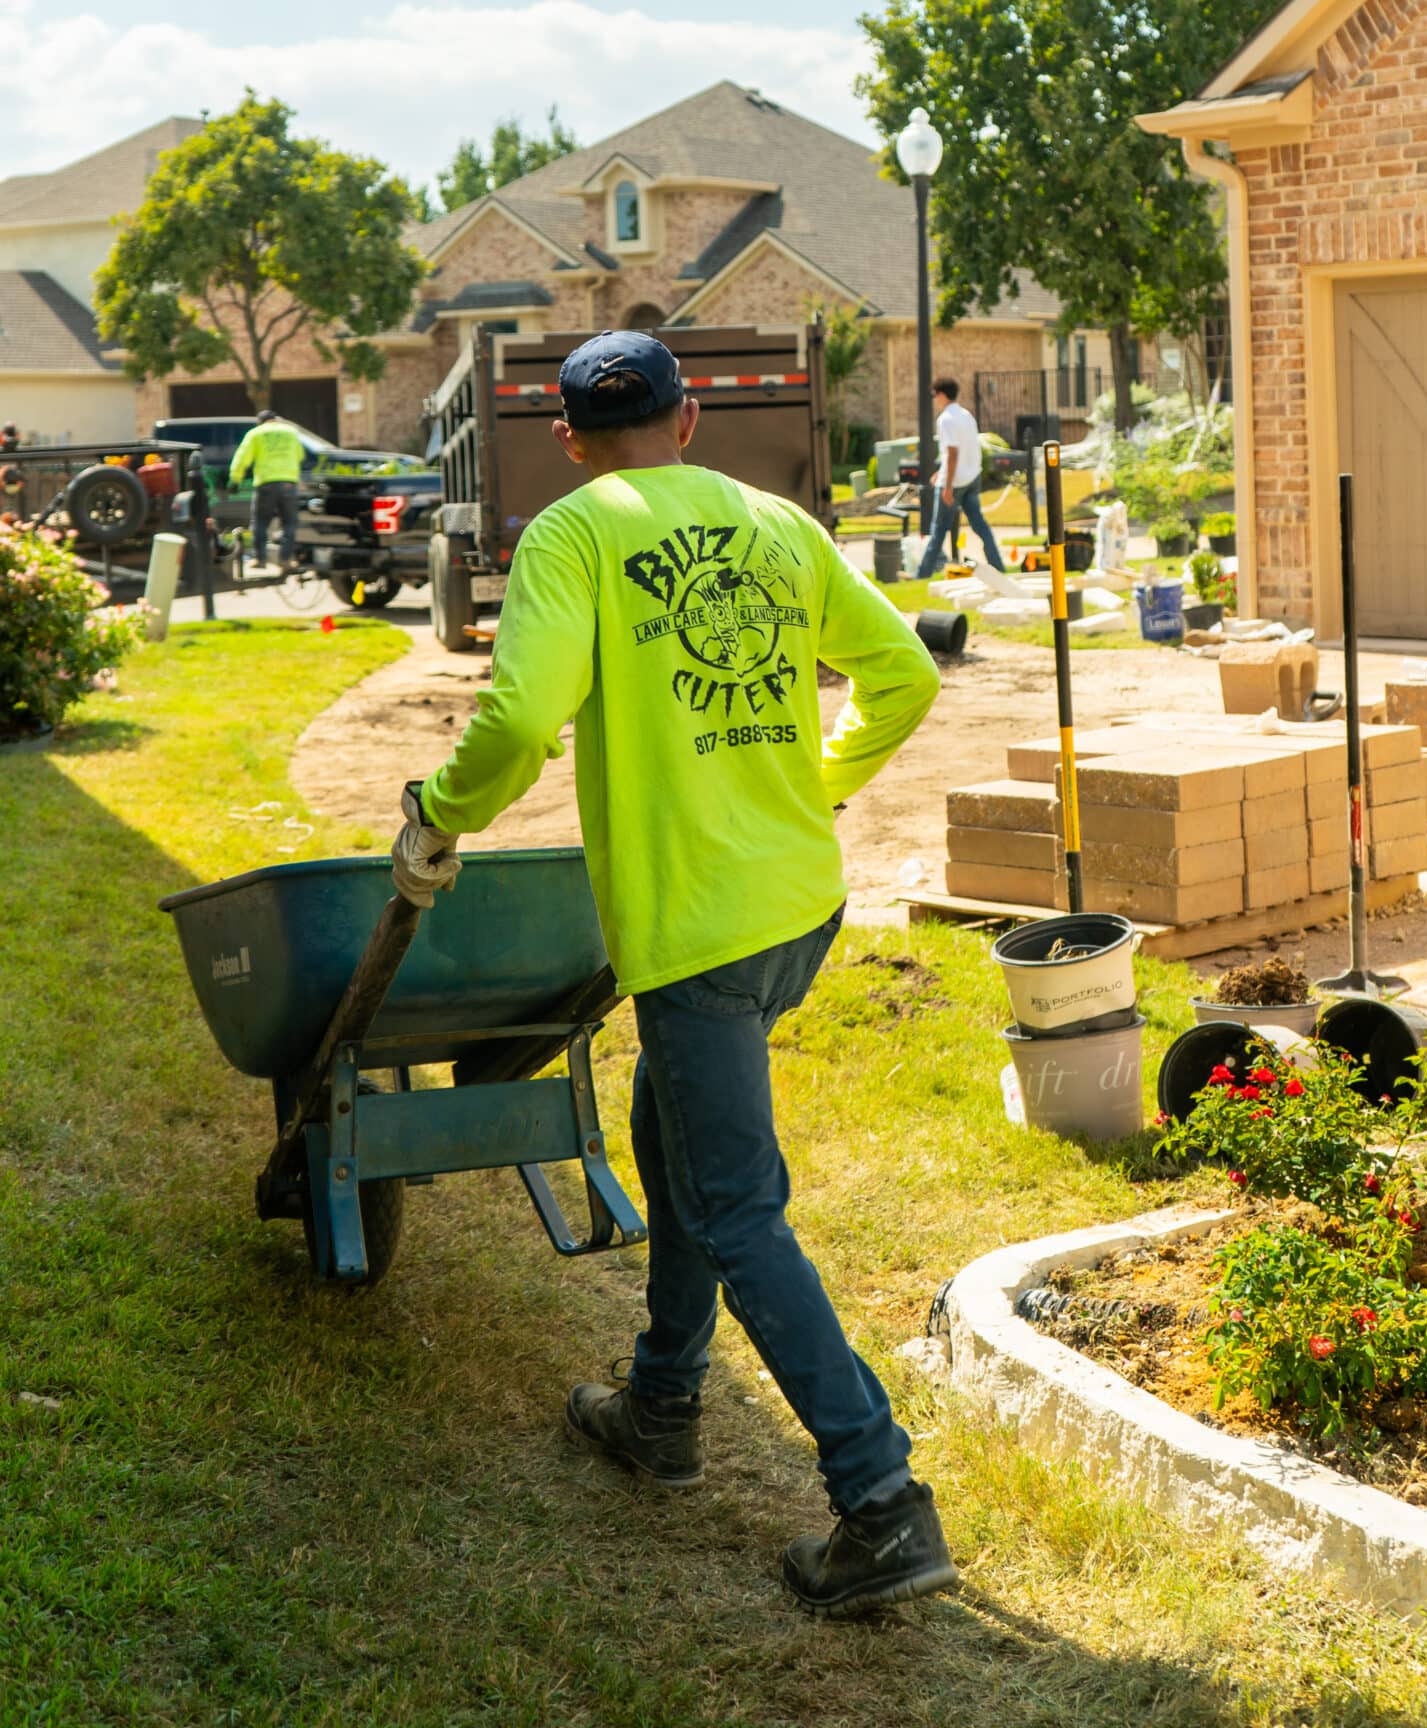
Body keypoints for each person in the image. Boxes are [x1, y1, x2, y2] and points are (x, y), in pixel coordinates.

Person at [390, 330, 957, 1619]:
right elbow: (906, 673)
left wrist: (440, 807)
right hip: (799, 908)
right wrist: (816, 783)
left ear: (571, 440)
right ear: (689, 419)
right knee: (671, 1129)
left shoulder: (574, 534)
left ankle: (881, 1503)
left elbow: (525, 718)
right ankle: (662, 1403)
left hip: (698, 930)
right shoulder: (776, 523)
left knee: (736, 1204)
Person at [916, 376, 1005, 577]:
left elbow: (953, 453)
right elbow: (967, 450)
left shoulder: (946, 419)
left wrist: (947, 485)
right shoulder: (967, 416)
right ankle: (998, 566)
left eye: (934, 395)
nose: (934, 400)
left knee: (938, 530)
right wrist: (941, 472)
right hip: (972, 478)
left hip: (954, 483)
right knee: (980, 525)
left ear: (941, 394)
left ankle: (922, 574)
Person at [229, 409, 307, 567]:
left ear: (260, 421)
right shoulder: (290, 432)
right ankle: (286, 558)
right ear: (276, 419)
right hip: (288, 483)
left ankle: (260, 559)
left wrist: (235, 480)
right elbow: (300, 455)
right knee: (289, 522)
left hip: (266, 483)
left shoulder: (256, 433)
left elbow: (242, 457)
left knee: (260, 522)